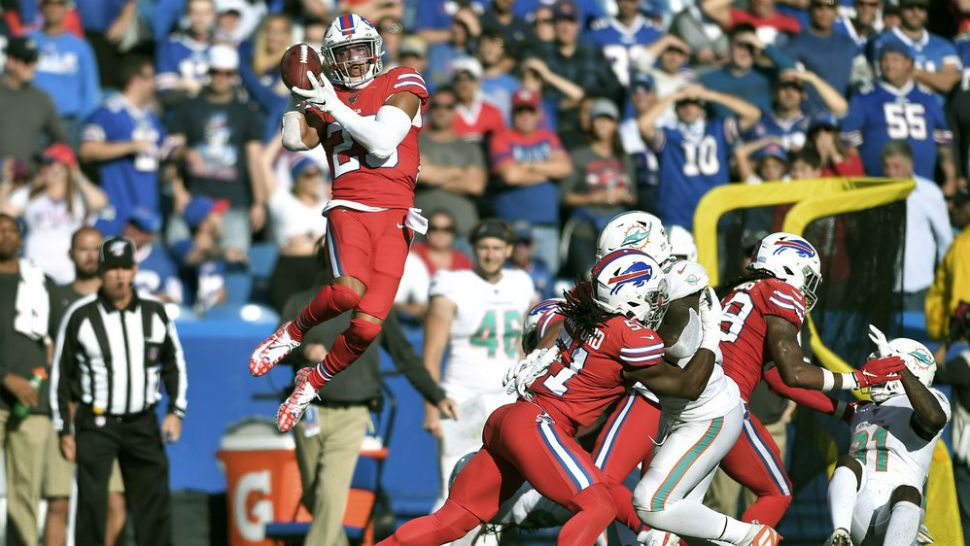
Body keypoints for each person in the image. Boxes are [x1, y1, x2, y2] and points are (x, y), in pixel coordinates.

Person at [380, 249, 771, 546]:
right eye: (652, 296)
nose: (657, 304)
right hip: (539, 424)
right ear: (630, 299)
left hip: (512, 417)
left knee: (455, 518)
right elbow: (687, 386)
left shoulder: (584, 303)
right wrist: (710, 333)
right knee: (599, 506)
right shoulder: (628, 336)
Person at [254, 13, 430, 433]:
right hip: (350, 206)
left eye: (359, 49)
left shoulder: (403, 79)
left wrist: (330, 105)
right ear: (331, 59)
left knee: (367, 329)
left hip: (397, 217)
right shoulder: (327, 94)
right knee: (347, 292)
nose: (353, 60)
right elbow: (295, 139)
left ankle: (310, 382)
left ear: (375, 49)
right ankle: (291, 334)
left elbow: (384, 142)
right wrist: (299, 97)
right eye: (344, 52)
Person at [717, 232, 906, 526]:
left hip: (694, 399)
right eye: (807, 276)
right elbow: (795, 372)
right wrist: (859, 379)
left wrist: (842, 409)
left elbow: (779, 378)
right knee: (776, 493)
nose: (807, 287)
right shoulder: (780, 292)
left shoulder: (739, 291)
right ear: (791, 267)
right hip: (723, 405)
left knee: (664, 505)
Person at [283, 241, 455, 546]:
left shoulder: (372, 306)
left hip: (353, 411)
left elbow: (405, 356)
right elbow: (280, 348)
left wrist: (435, 395)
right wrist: (302, 352)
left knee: (331, 493)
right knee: (316, 496)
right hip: (307, 411)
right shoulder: (300, 302)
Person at [51, 236, 187, 546]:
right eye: (112, 268)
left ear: (136, 269)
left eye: (126, 267)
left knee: (153, 505)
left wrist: (175, 412)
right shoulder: (81, 315)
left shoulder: (156, 312)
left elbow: (174, 364)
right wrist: (64, 429)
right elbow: (62, 374)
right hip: (96, 424)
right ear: (101, 271)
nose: (120, 275)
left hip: (142, 421)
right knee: (92, 506)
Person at [421, 220, 535, 542]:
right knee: (455, 488)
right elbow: (432, 352)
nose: (490, 254)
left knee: (508, 489)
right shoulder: (452, 284)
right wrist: (431, 406)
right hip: (462, 399)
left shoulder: (521, 282)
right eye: (484, 247)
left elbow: (530, 347)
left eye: (497, 248)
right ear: (473, 250)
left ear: (509, 250)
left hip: (508, 399)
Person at [44, 225, 127, 546]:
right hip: (67, 410)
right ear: (70, 254)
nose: (90, 256)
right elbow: (50, 356)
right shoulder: (56, 297)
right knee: (59, 502)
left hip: (110, 414)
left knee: (115, 500)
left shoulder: (118, 299)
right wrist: (65, 406)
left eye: (97, 249)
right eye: (83, 249)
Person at [823, 335, 949, 546]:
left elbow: (933, 418)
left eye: (884, 366)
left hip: (897, 515)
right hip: (858, 510)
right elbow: (819, 400)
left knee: (907, 492)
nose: (875, 372)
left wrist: (897, 366)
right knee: (848, 463)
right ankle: (840, 535)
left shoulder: (927, 404)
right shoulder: (862, 409)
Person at [168, 44, 267, 254]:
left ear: (234, 76)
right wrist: (178, 192)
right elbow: (172, 153)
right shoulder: (187, 108)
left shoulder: (246, 113)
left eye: (227, 73)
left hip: (234, 202)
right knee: (180, 250)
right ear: (208, 72)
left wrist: (259, 202)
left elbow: (255, 160)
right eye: (216, 72)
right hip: (193, 200)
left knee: (235, 259)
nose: (221, 78)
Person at [0, 213, 56, 546]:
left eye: (12, 230)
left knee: (26, 492)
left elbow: (59, 338)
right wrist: (6, 378)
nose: (6, 235)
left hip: (31, 401)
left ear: (22, 238)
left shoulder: (40, 281)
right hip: (4, 391)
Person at [638, 83, 760, 229]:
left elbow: (753, 114)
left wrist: (709, 94)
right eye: (683, 104)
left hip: (716, 215)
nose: (689, 108)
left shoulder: (717, 130)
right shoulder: (669, 137)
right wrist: (674, 95)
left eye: (694, 104)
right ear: (676, 109)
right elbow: (643, 125)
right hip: (677, 217)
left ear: (702, 108)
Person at [840, 43, 955, 188]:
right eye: (884, 60)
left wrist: (950, 178)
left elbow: (943, 141)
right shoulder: (864, 98)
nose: (889, 65)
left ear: (908, 63)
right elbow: (848, 143)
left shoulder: (928, 98)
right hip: (878, 183)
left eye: (895, 60)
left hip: (923, 184)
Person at [80, 56, 168, 236]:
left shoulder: (151, 116)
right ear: (135, 80)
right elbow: (86, 150)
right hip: (118, 207)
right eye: (150, 77)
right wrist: (129, 147)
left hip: (147, 206)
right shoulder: (110, 112)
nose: (154, 83)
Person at [489, 88, 572, 276]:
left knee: (548, 278)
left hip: (546, 225)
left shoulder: (548, 137)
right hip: (511, 224)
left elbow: (565, 168)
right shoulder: (502, 137)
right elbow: (510, 176)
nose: (525, 116)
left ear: (538, 114)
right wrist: (548, 171)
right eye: (520, 111)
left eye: (530, 110)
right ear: (512, 114)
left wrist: (527, 166)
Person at [1, 143, 107, 284]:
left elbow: (100, 203)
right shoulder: (31, 193)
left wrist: (76, 172)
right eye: (42, 164)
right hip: (35, 270)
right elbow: (4, 214)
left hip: (68, 272)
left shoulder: (78, 195)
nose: (43, 168)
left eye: (49, 164)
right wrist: (7, 182)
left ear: (64, 167)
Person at [561, 98, 636, 276]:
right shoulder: (578, 155)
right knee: (588, 281)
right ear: (591, 123)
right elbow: (564, 197)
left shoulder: (623, 158)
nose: (603, 124)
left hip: (618, 235)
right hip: (585, 231)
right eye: (599, 119)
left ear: (615, 124)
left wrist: (623, 196)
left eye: (608, 119)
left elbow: (634, 197)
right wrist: (596, 197)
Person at [881, 141, 952, 311]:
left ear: (909, 165)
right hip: (884, 288)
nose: (891, 172)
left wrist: (944, 282)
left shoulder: (927, 192)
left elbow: (945, 239)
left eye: (896, 166)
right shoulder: (877, 192)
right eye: (887, 166)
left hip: (918, 286)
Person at [537, 0, 622, 139]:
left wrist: (590, 99)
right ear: (553, 26)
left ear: (578, 25)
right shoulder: (542, 55)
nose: (565, 27)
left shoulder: (593, 53)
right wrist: (562, 104)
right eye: (560, 22)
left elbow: (615, 90)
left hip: (592, 129)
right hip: (557, 128)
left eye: (570, 21)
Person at [416, 87, 487, 238]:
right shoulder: (412, 141)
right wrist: (459, 172)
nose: (442, 111)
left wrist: (432, 176)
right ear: (428, 108)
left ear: (455, 110)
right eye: (436, 106)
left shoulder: (470, 148)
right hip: (419, 231)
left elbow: (475, 185)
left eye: (448, 106)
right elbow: (420, 175)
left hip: (463, 231)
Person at [29, 0, 101, 145]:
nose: (54, 8)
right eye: (49, 3)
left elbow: (91, 89)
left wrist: (84, 121)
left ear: (67, 9)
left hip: (69, 123)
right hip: (33, 121)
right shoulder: (28, 42)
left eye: (59, 3)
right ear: (41, 7)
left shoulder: (80, 46)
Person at [698, 24, 795, 119]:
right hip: (725, 132)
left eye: (750, 47)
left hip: (766, 132)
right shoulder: (707, 80)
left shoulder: (767, 75)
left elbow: (793, 70)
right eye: (740, 46)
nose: (745, 52)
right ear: (729, 46)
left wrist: (763, 45)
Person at [867, 0, 961, 97]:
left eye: (921, 8)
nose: (916, 13)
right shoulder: (881, 42)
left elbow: (949, 84)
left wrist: (913, 72)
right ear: (900, 10)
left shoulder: (944, 45)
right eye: (910, 7)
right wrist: (935, 78)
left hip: (937, 110)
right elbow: (889, 80)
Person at [0, 37, 67, 167]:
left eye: (34, 60)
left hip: (31, 179)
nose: (32, 66)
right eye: (26, 61)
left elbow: (61, 140)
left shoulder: (41, 98)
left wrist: (47, 161)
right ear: (10, 61)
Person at [783, 0, 861, 107]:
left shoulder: (849, 44)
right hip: (809, 117)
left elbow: (861, 81)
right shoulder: (795, 45)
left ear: (836, 10)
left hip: (843, 113)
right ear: (810, 9)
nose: (824, 11)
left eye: (830, 5)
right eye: (818, 5)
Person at [748, 70, 848, 152]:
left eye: (796, 88)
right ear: (775, 93)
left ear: (803, 95)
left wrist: (813, 79)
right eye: (784, 87)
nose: (790, 93)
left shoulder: (813, 122)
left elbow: (841, 109)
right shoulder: (760, 123)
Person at [926, 187, 970, 341]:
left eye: (958, 205)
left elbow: (963, 304)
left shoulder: (964, 246)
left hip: (960, 339)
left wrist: (947, 345)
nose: (952, 209)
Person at [585, 0, 662, 86]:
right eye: (622, 0)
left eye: (631, 0)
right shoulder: (598, 31)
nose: (626, 4)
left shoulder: (654, 32)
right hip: (609, 92)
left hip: (644, 93)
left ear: (639, 2)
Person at [155, 0, 216, 106]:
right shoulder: (171, 46)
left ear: (213, 15)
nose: (201, 19)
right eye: (196, 13)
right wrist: (183, 85)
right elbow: (164, 92)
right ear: (187, 15)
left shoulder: (219, 47)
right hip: (180, 113)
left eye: (206, 13)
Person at [122, 208, 184, 304]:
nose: (131, 232)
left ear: (151, 235)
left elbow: (174, 296)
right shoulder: (107, 253)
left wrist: (153, 299)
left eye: (140, 229)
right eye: (130, 225)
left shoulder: (163, 261)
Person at [450, 57, 506, 144]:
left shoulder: (494, 113)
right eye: (458, 79)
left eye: (470, 78)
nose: (464, 84)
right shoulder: (443, 112)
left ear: (479, 81)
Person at [508, 221, 554, 300]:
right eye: (516, 242)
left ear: (533, 244)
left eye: (526, 242)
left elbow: (550, 300)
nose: (520, 248)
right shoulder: (503, 270)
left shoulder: (542, 269)